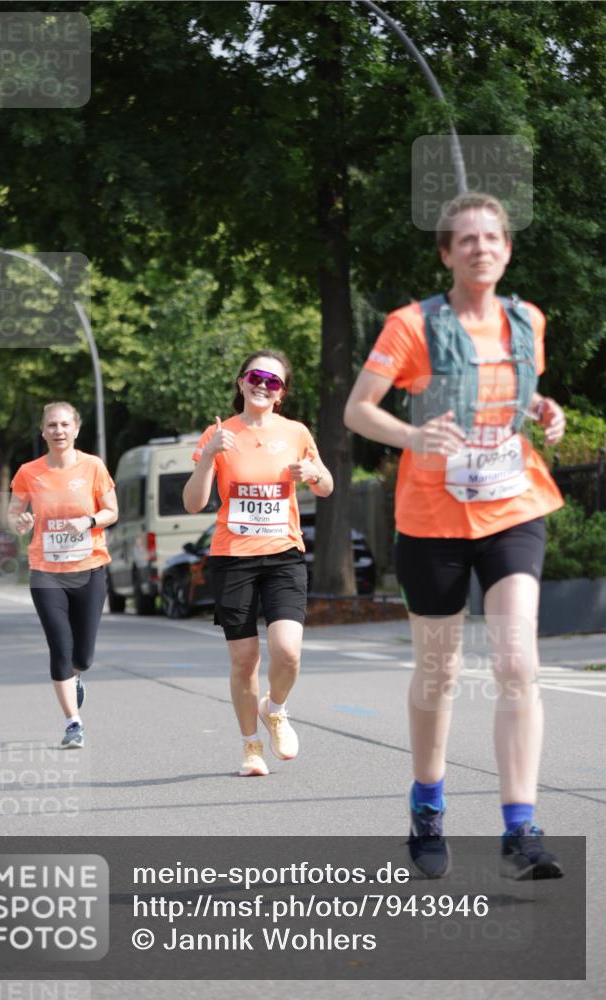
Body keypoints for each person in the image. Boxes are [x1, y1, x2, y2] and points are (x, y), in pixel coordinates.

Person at [344, 192, 566, 879]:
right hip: (432, 516)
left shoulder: (526, 320)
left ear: (506, 248)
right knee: (439, 673)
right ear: (445, 253)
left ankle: (519, 827)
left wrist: (541, 409)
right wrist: (413, 434)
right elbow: (358, 410)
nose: (480, 248)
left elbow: (508, 392)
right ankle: (427, 806)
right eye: (465, 240)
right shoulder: (410, 326)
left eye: (491, 237)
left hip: (510, 505)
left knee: (515, 662)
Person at [183, 350, 333, 777]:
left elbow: (326, 485)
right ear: (241, 381)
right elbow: (193, 503)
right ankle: (251, 746)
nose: (263, 385)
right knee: (245, 659)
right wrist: (210, 454)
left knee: (287, 650)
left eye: (273, 381)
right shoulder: (219, 434)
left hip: (284, 553)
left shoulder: (296, 432)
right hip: (233, 558)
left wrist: (313, 474)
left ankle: (277, 709)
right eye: (256, 377)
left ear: (281, 393)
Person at [8, 402, 118, 749]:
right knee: (60, 646)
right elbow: (15, 514)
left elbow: (112, 511)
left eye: (64, 424)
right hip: (46, 572)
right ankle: (73, 722)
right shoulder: (29, 472)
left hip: (89, 567)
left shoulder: (93, 467)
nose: (58, 430)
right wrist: (21, 522)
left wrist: (87, 522)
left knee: (82, 656)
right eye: (52, 425)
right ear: (43, 431)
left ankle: (76, 677)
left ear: (76, 429)